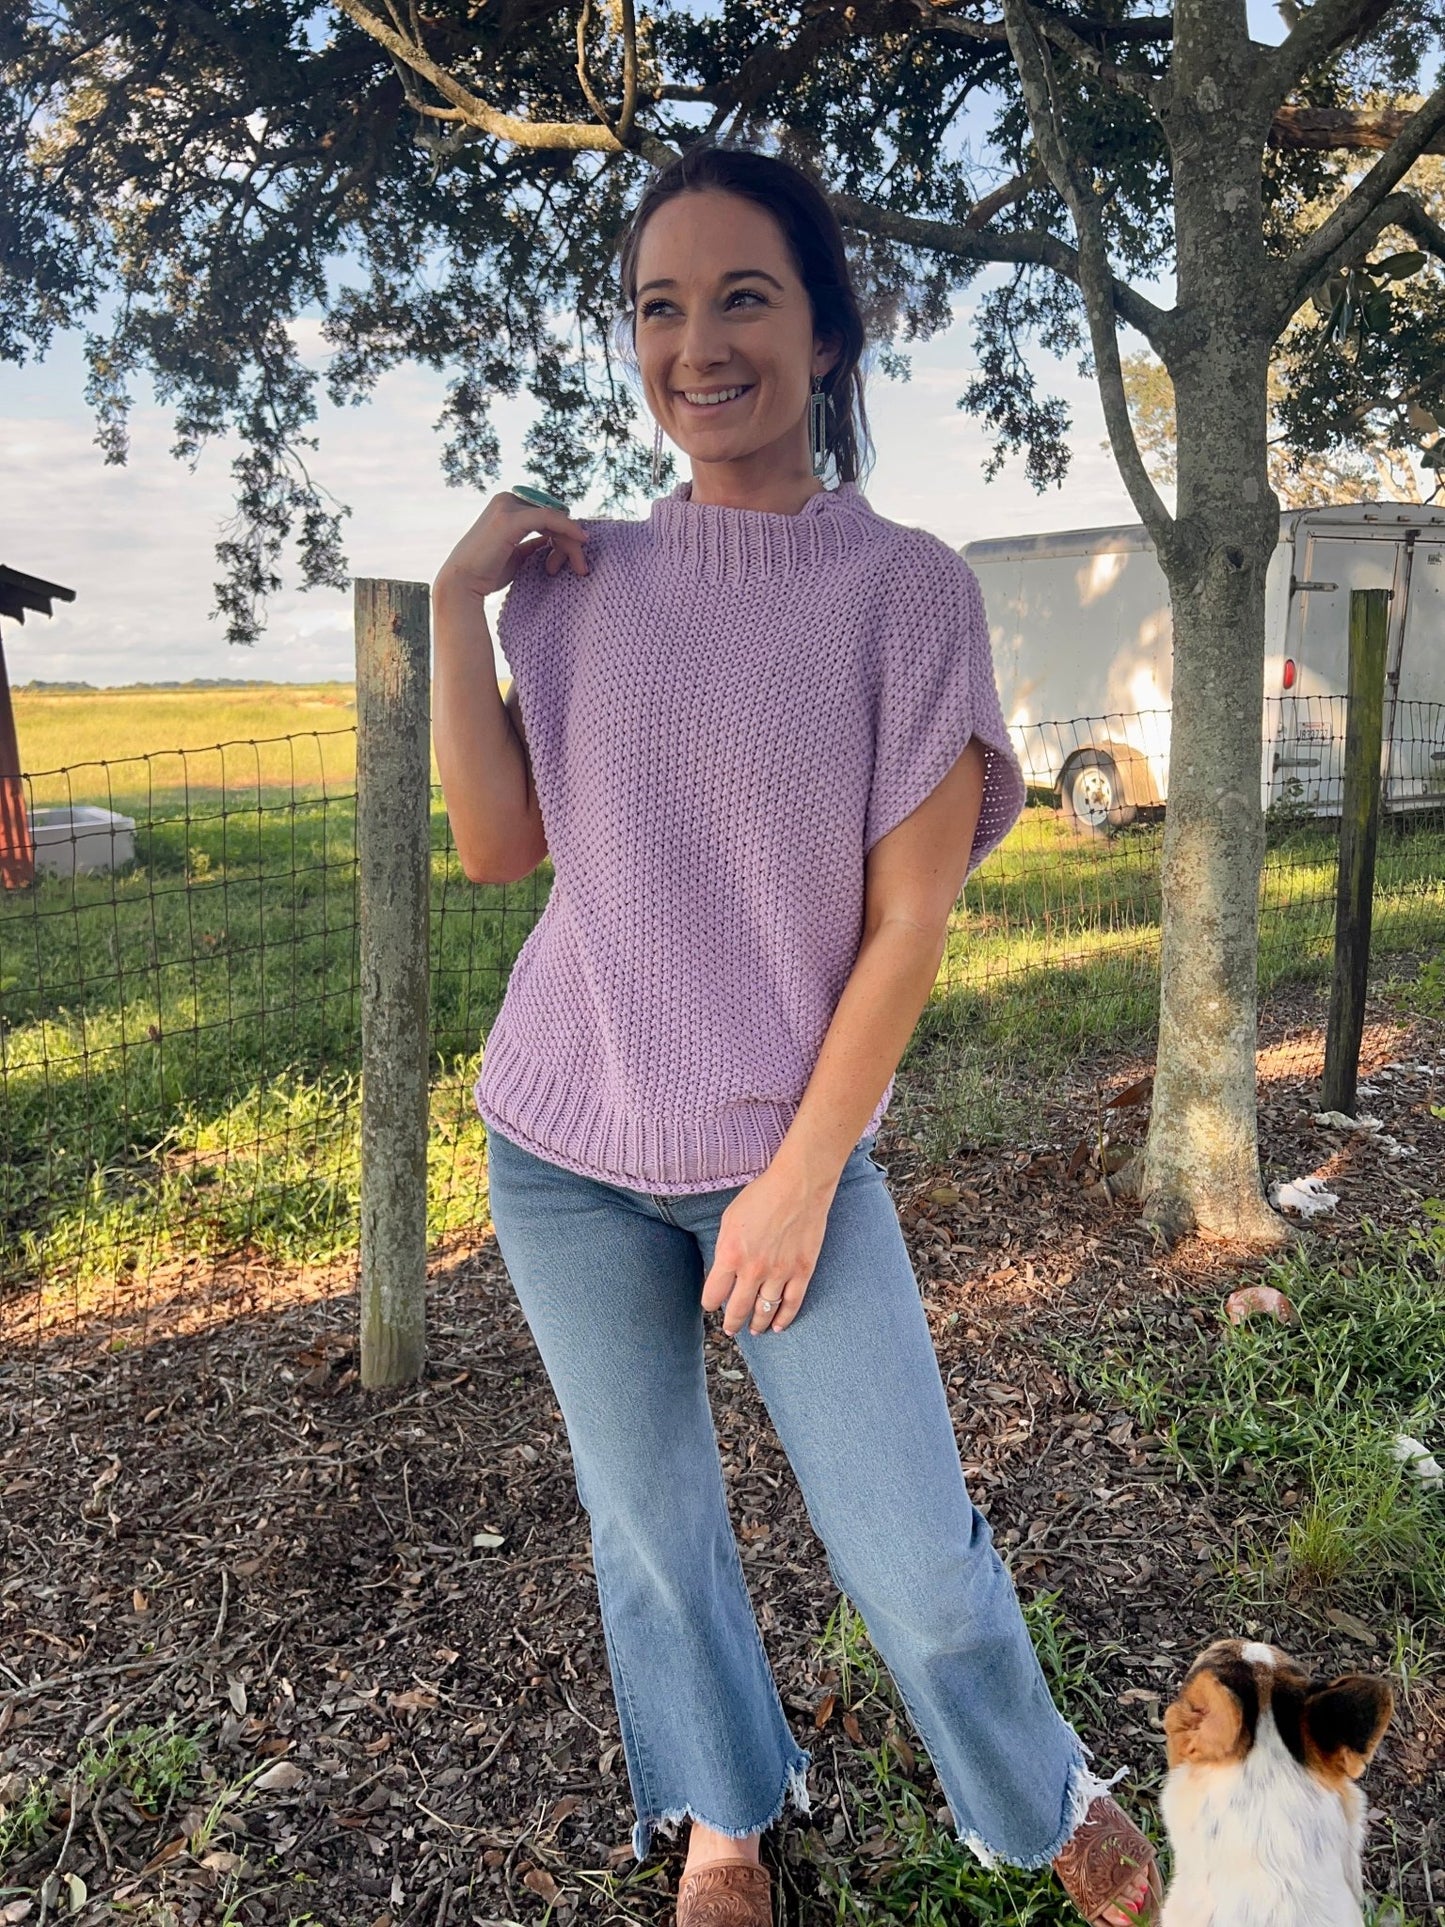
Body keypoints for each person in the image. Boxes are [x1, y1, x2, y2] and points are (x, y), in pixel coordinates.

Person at [432, 141, 1161, 1927]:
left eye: (742, 297)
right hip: (562, 1146)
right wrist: (456, 608)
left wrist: (798, 1178)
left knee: (908, 1552)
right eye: (657, 307)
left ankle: (1038, 1782)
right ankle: (723, 1819)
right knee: (650, 1527)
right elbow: (499, 848)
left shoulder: (903, 590)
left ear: (826, 335)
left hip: (786, 1153)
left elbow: (907, 923)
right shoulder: (574, 584)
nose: (696, 344)